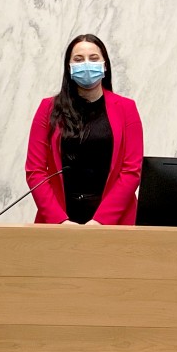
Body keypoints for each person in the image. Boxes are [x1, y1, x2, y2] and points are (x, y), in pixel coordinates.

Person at [25, 34, 143, 225]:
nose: (87, 64)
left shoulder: (127, 109)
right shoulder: (47, 109)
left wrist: (100, 221)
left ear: (105, 65)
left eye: (94, 58)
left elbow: (131, 171)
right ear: (69, 68)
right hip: (59, 224)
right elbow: (35, 171)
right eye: (78, 59)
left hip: (115, 224)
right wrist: (60, 221)